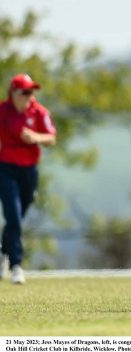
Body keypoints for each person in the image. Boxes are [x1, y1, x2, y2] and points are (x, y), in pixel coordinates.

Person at [0, 74, 57, 284]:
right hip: (5, 169)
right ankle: (16, 265)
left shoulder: (39, 112)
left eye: (31, 92)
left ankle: (3, 251)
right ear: (14, 93)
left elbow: (51, 138)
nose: (29, 96)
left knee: (18, 214)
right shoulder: (2, 111)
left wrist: (35, 137)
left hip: (29, 171)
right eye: (25, 92)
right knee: (12, 215)